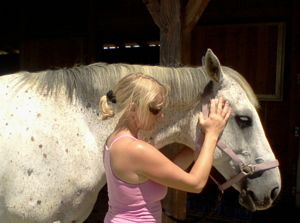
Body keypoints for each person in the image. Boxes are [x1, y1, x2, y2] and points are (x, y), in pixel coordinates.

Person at [99, 73, 231, 223]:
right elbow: (196, 183)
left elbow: (165, 174)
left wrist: (199, 142)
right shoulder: (136, 149)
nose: (161, 116)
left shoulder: (115, 140)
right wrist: (212, 134)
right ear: (133, 108)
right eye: (155, 110)